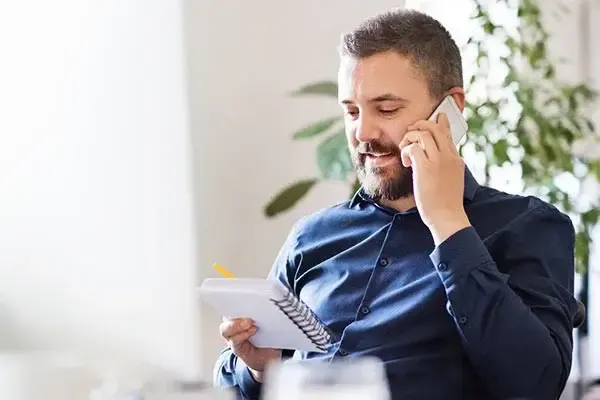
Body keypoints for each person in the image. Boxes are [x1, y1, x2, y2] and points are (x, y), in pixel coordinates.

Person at [213, 8, 580, 400]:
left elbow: (536, 386)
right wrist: (257, 368)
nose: (363, 132)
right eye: (352, 111)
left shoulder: (527, 225)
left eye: (386, 109)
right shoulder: (311, 236)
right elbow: (232, 385)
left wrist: (448, 224)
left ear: (451, 109)